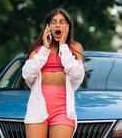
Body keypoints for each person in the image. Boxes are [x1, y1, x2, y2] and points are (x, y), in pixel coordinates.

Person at [22, 8, 85, 138]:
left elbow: (78, 75)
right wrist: (45, 49)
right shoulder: (38, 49)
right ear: (48, 26)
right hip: (38, 108)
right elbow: (27, 74)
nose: (57, 25)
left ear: (67, 26)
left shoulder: (74, 48)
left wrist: (63, 46)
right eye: (53, 22)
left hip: (63, 110)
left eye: (62, 22)